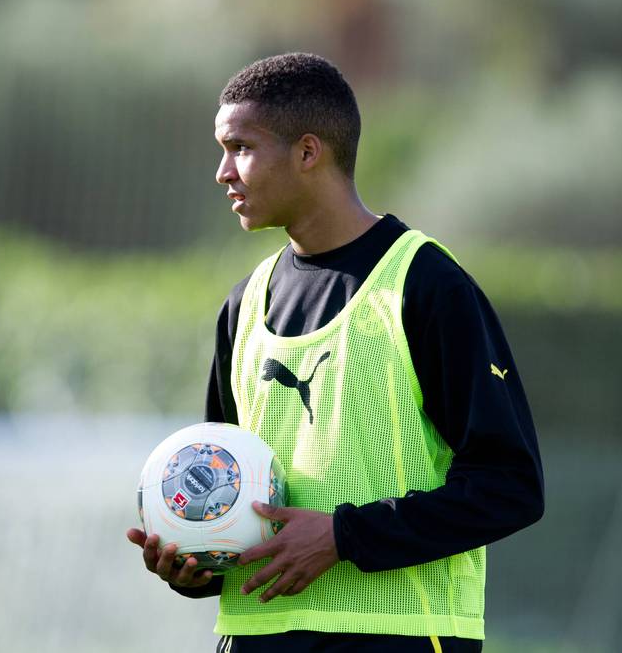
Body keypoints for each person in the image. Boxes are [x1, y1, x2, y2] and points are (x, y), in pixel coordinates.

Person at [127, 53, 544, 652]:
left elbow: (511, 484)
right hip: (257, 639)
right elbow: (231, 496)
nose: (223, 172)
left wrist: (344, 537)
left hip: (400, 638)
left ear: (307, 152)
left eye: (240, 147)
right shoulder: (243, 305)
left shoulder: (425, 284)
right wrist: (195, 560)